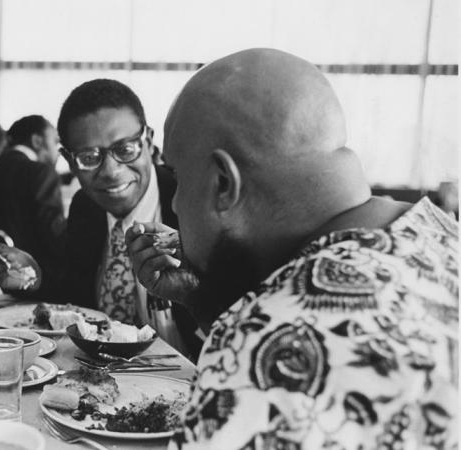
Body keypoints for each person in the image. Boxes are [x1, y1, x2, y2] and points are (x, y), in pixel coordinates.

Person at [125, 48, 458, 449]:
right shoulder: (439, 232)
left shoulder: (269, 349)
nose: (175, 204)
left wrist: (239, 333)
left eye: (176, 177)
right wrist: (202, 298)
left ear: (223, 184)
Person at [0, 80, 201, 358]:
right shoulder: (86, 206)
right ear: (69, 161)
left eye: (125, 149)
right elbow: (75, 288)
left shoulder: (191, 202)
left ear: (148, 139)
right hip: (100, 374)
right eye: (89, 156)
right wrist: (33, 276)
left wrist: (193, 294)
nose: (110, 171)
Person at [0, 114, 66, 290]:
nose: (58, 151)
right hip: (32, 284)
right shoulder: (42, 173)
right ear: (37, 141)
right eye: (55, 142)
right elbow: (55, 239)